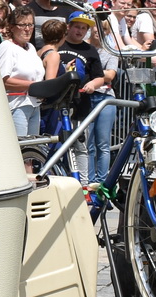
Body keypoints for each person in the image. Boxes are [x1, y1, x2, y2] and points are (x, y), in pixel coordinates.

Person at [48, 13, 114, 178]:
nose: (80, 31)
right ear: (69, 27)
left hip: (80, 105)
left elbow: (100, 76)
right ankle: (55, 178)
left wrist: (93, 84)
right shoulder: (59, 46)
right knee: (55, 144)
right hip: (56, 105)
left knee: (81, 146)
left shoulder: (90, 50)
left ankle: (83, 184)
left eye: (84, 28)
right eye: (77, 26)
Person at [0, 8, 44, 139]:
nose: (27, 29)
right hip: (17, 105)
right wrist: (34, 86)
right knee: (21, 151)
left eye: (30, 25)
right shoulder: (7, 47)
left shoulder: (31, 47)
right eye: (22, 25)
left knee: (32, 150)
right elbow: (2, 80)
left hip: (34, 105)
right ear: (11, 27)